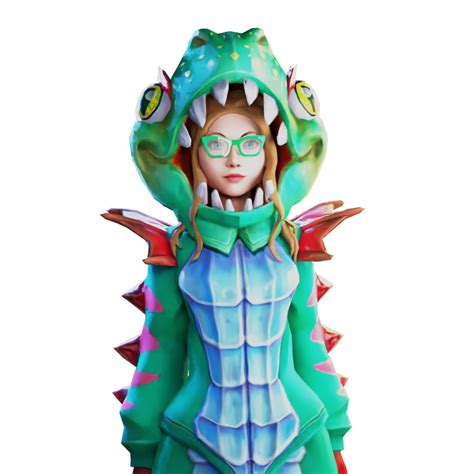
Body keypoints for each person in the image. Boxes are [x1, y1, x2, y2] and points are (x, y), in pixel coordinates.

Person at [103, 27, 362, 474]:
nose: (234, 159)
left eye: (250, 143)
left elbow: (312, 350)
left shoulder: (292, 246)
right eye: (216, 143)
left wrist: (336, 438)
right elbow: (159, 356)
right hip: (195, 442)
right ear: (192, 151)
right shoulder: (175, 254)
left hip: (298, 437)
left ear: (270, 151)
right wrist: (143, 448)